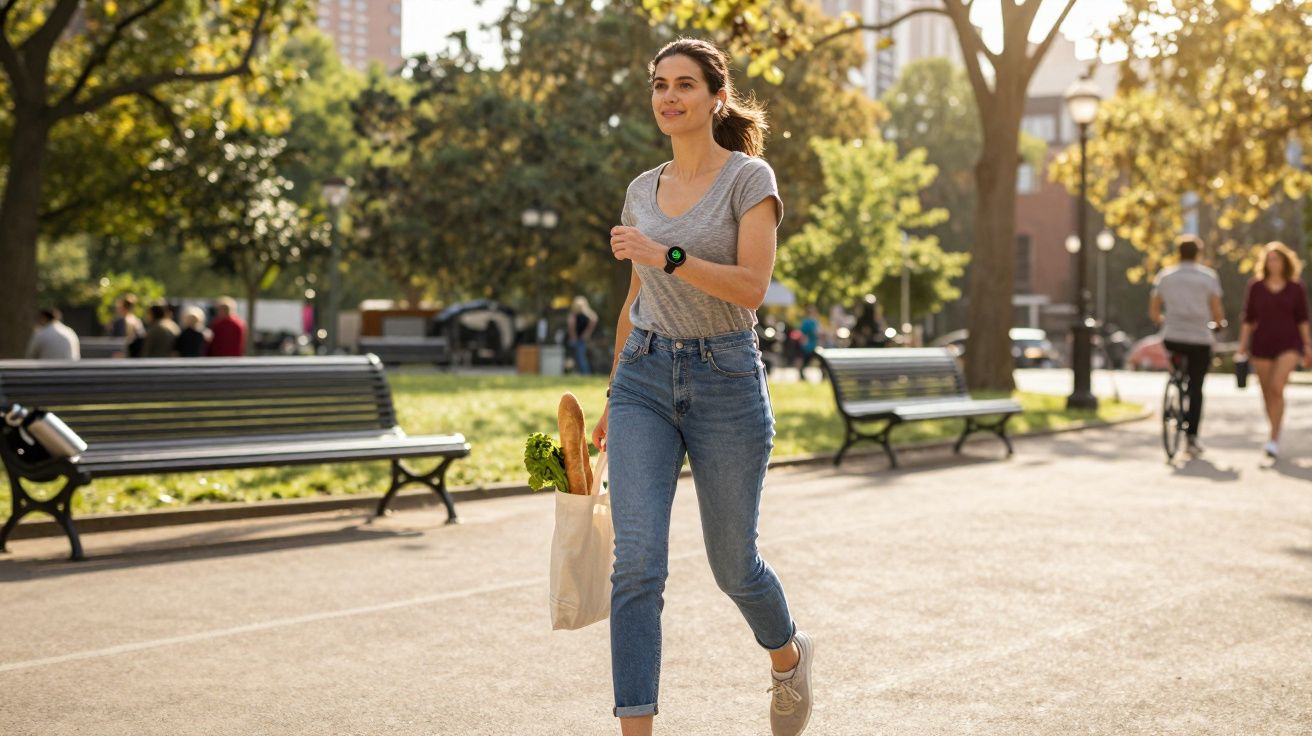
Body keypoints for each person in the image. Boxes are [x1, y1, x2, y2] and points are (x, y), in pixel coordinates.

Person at [591, 38, 812, 736]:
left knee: (732, 566)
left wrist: (668, 253)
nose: (668, 96)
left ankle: (787, 657)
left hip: (725, 380)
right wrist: (609, 397)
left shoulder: (750, 178)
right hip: (645, 380)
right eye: (659, 84)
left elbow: (751, 288)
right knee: (637, 568)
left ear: (718, 97)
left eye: (685, 84)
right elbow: (634, 300)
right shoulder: (641, 188)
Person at [1148, 235, 1225, 455]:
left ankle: (1175, 380)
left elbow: (1154, 310)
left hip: (1173, 336)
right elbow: (1217, 312)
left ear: (1178, 252)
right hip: (1200, 338)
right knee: (1197, 388)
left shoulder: (1166, 276)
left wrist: (1164, 320)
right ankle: (1192, 438)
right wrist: (1217, 325)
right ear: (1197, 254)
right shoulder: (1208, 277)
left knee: (1178, 370)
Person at [1235, 241, 1311, 459]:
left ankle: (1275, 437)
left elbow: (1302, 319)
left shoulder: (1296, 287)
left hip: (1289, 343)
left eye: (1276, 258)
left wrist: (1307, 346)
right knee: (1267, 392)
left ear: (1285, 261)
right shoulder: (1255, 286)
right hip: (1262, 344)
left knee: (1277, 387)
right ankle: (1273, 431)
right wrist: (1242, 347)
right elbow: (1248, 319)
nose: (1273, 263)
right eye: (1269, 259)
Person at [567, 295, 598, 375]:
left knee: (581, 357)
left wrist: (587, 333)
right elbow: (571, 325)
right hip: (578, 338)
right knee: (579, 357)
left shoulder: (586, 313)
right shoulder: (575, 314)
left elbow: (594, 319)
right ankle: (581, 373)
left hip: (581, 339)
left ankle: (585, 373)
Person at [798, 304, 821, 374]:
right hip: (808, 344)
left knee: (814, 359)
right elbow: (803, 333)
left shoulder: (815, 321)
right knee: (807, 359)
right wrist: (803, 342)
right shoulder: (807, 322)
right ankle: (801, 371)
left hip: (814, 343)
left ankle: (823, 373)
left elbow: (818, 332)